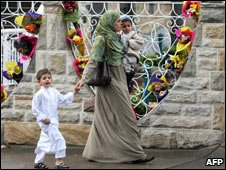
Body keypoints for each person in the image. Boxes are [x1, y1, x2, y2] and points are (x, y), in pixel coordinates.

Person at [74, 10, 155, 163]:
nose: (121, 24)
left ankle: (95, 152)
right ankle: (136, 154)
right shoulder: (101, 39)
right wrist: (83, 79)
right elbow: (94, 61)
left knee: (105, 118)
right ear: (110, 23)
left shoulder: (117, 37)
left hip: (121, 78)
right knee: (128, 117)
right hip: (110, 81)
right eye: (117, 21)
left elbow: (132, 48)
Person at [32, 68, 76, 169]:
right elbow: (35, 109)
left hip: (54, 121)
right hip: (47, 123)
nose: (47, 80)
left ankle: (38, 162)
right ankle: (59, 163)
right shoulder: (39, 94)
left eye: (49, 78)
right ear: (39, 82)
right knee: (59, 139)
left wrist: (74, 92)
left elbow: (64, 100)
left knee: (44, 141)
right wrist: (43, 118)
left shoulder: (54, 92)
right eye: (44, 78)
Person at [120, 15, 144, 93]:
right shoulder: (120, 34)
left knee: (129, 69)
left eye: (128, 26)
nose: (127, 28)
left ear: (131, 26)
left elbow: (140, 43)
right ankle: (128, 83)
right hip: (123, 55)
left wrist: (130, 42)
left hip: (131, 55)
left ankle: (129, 81)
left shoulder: (133, 34)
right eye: (124, 26)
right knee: (123, 68)